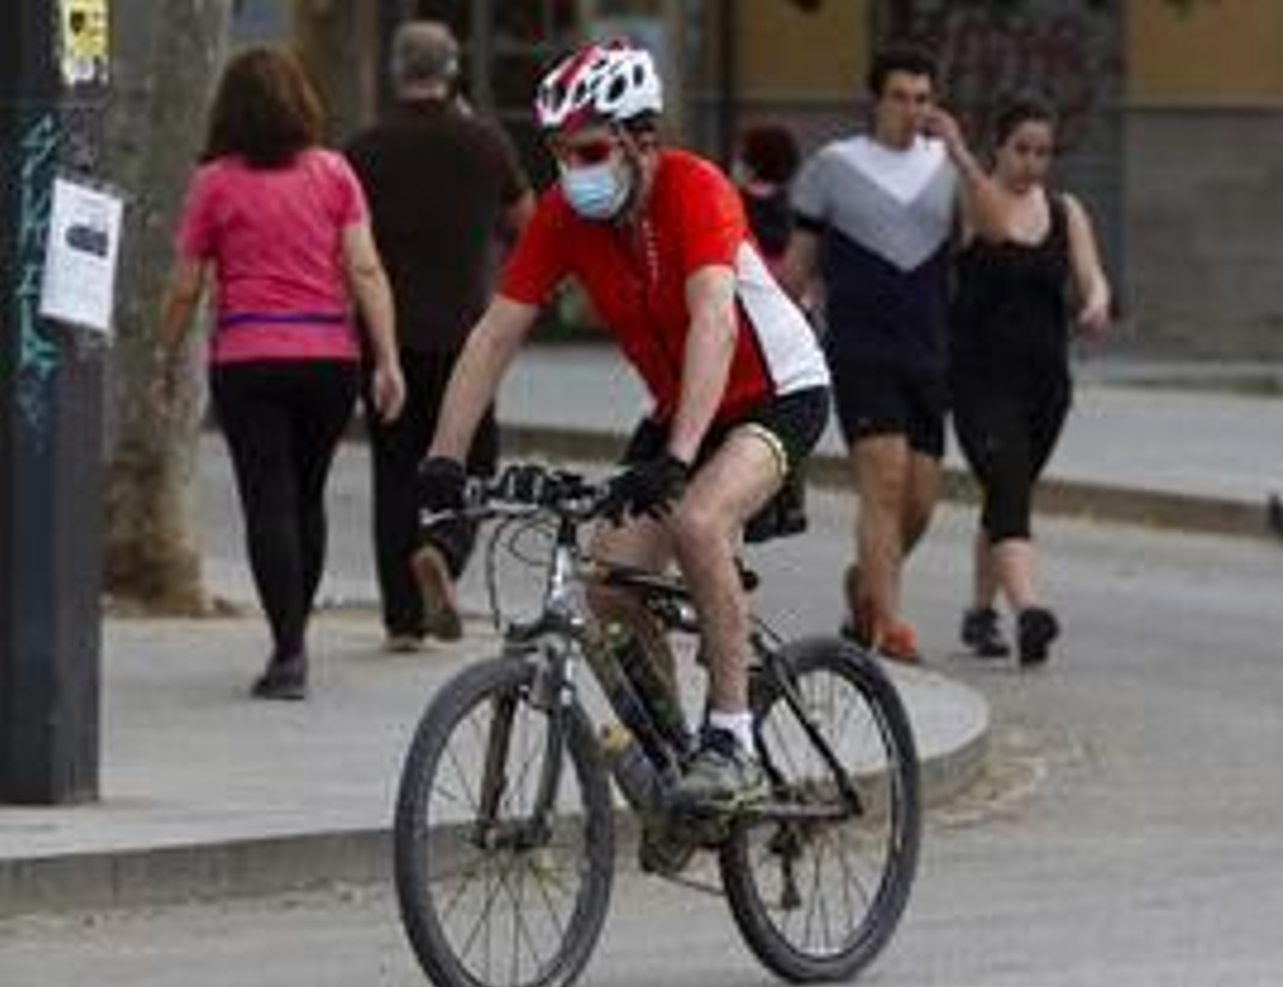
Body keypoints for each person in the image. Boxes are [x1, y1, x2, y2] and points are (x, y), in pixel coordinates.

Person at [417, 41, 831, 811]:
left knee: (701, 520)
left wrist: (678, 456)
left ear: (645, 140)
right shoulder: (564, 218)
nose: (574, 169)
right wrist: (443, 455)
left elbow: (714, 319)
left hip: (776, 391)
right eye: (560, 153)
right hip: (683, 408)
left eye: (591, 150)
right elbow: (494, 334)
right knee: (607, 580)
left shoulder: (696, 189)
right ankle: (679, 762)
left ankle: (732, 739)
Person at [159, 46, 406, 699]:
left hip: (249, 360)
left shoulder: (214, 182)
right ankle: (294, 638)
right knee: (307, 495)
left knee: (268, 502)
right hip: (329, 361)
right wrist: (387, 358)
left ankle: (289, 647)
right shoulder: (334, 173)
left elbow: (186, 285)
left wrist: (166, 356)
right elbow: (365, 268)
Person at [344, 20, 534, 652]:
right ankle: (444, 549)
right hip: (464, 338)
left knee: (394, 470)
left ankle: (401, 620)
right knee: (472, 460)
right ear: (452, 70)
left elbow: (346, 247)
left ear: (397, 73)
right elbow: (525, 224)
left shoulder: (364, 151)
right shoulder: (485, 144)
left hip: (387, 341)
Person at [782, 43, 960, 664]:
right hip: (860, 349)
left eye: (922, 99)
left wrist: (961, 150)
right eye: (899, 97)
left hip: (929, 353)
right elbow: (798, 269)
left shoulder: (948, 167)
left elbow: (992, 232)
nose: (911, 110)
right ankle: (890, 625)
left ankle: (866, 584)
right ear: (875, 100)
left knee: (919, 501)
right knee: (882, 482)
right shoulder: (834, 166)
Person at [925, 95, 1112, 666]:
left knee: (1007, 495)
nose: (1032, 163)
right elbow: (997, 226)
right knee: (1008, 490)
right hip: (980, 382)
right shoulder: (973, 203)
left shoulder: (1065, 211)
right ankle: (1031, 610)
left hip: (1046, 386)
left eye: (1043, 152)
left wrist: (1097, 304)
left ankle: (981, 614)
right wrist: (958, 153)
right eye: (1022, 150)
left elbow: (1091, 277)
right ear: (998, 148)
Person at [733, 124, 801, 271]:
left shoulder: (734, 202)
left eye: (742, 156)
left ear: (754, 163)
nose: (737, 162)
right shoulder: (792, 203)